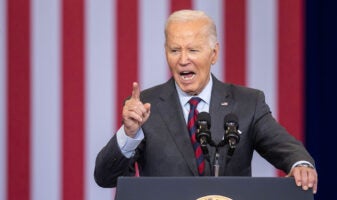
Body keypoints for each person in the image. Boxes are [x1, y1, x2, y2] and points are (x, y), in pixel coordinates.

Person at [94, 9, 318, 194]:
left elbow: (287, 149)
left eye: (193, 50)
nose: (183, 60)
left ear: (214, 53)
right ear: (165, 53)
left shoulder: (248, 103)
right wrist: (129, 134)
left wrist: (301, 165)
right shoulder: (145, 107)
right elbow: (105, 177)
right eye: (174, 50)